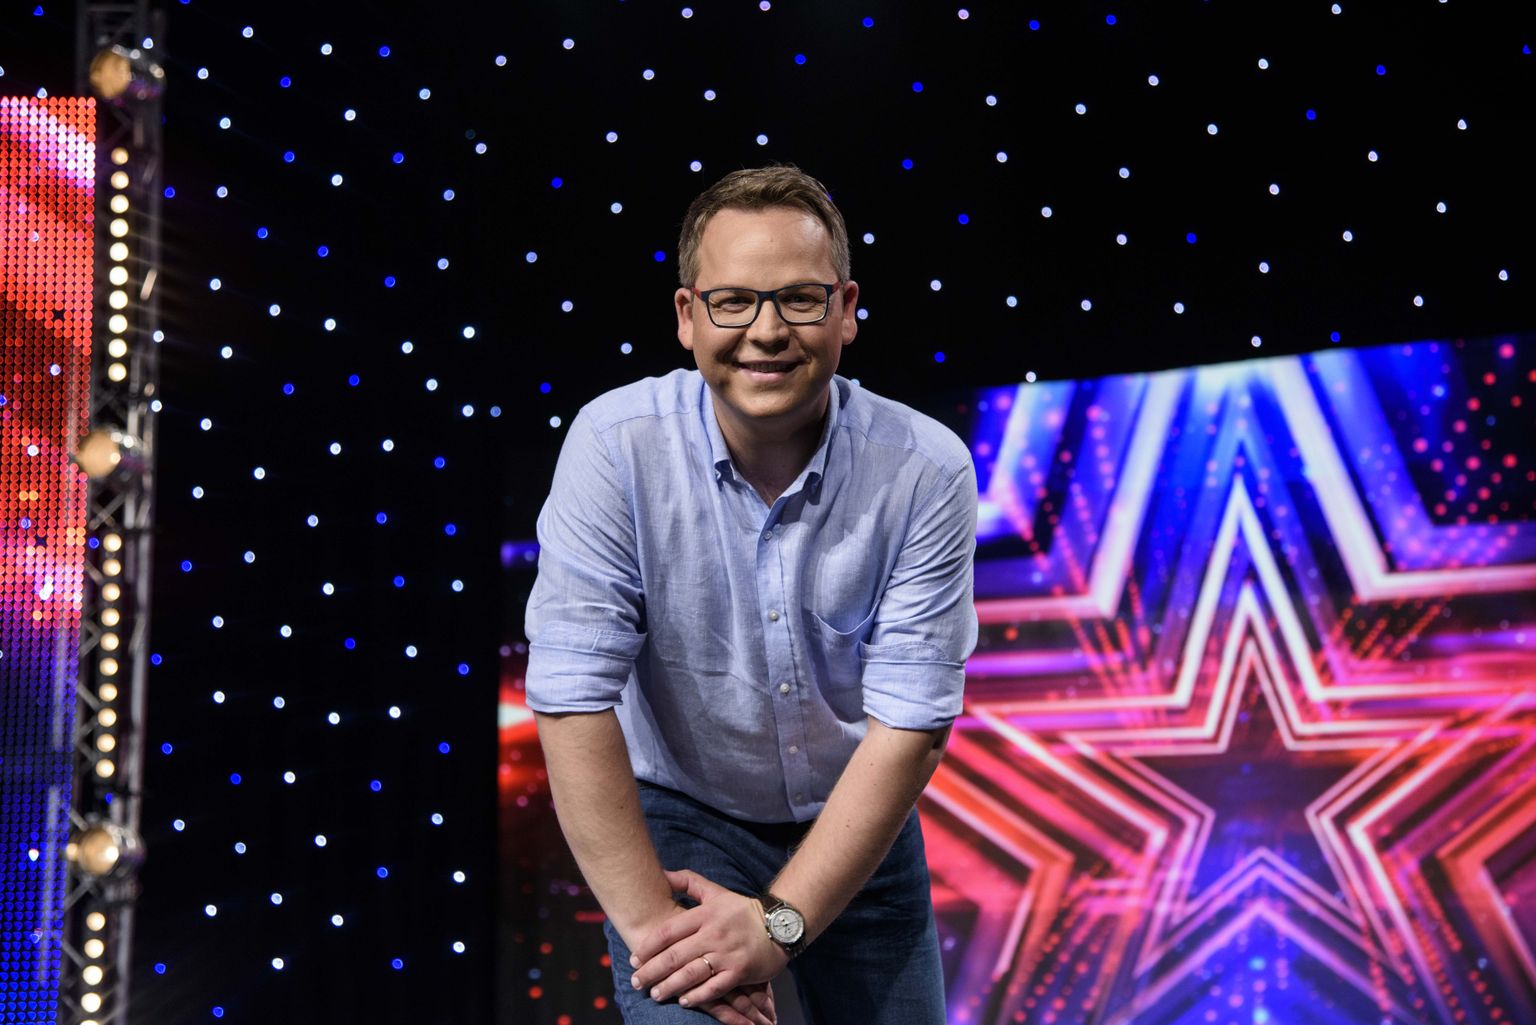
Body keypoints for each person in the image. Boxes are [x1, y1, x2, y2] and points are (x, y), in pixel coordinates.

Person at [525, 164, 978, 1024]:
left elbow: (911, 726)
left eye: (800, 300)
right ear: (687, 316)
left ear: (847, 309)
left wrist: (775, 927)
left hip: (853, 819)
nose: (766, 331)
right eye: (733, 301)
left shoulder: (927, 471)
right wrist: (664, 937)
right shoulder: (614, 446)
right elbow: (571, 698)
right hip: (681, 811)